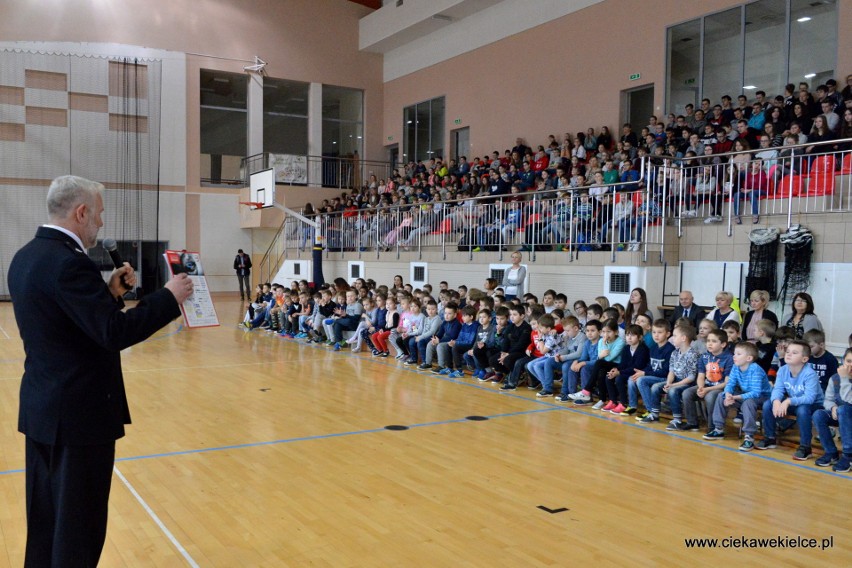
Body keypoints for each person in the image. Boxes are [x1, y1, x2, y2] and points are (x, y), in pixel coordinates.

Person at [8, 175, 193, 567]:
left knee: (46, 522)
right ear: (81, 212)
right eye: (99, 214)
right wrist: (167, 298)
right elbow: (113, 332)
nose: (102, 224)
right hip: (78, 418)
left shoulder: (26, 256)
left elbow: (64, 322)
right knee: (78, 528)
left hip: (44, 411)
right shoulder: (69, 264)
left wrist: (108, 294)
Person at [756, 340, 823, 460]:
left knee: (803, 410)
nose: (789, 354)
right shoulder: (783, 370)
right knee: (768, 404)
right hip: (795, 402)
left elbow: (809, 398)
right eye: (788, 351)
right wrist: (776, 401)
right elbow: (778, 389)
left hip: (813, 405)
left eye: (794, 352)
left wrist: (787, 402)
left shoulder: (810, 374)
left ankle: (805, 447)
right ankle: (770, 438)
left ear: (804, 359)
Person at [703, 342, 772, 451]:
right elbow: (730, 384)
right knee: (721, 396)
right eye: (734, 353)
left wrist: (735, 398)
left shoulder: (755, 369)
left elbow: (756, 393)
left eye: (738, 354)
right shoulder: (736, 367)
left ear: (749, 358)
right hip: (746, 395)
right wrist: (728, 395)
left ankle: (749, 437)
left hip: (763, 397)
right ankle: (718, 429)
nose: (734, 356)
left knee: (748, 402)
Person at [812, 348, 852, 472]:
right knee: (819, 414)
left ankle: (848, 455)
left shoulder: (843, 378)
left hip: (847, 413)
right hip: (841, 414)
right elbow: (828, 400)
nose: (851, 365)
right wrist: (832, 407)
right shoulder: (835, 378)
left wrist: (845, 379)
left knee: (844, 409)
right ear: (842, 362)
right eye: (848, 361)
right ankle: (831, 452)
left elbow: (849, 399)